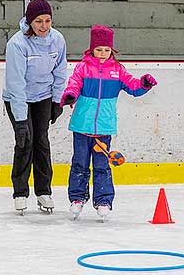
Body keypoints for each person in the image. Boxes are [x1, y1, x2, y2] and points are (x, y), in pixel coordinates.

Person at [60, 24, 158, 219]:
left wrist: (144, 83)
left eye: (107, 50)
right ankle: (77, 198)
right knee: (79, 163)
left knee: (102, 165)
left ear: (112, 50)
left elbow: (133, 87)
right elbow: (74, 84)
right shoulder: (83, 67)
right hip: (81, 126)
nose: (103, 54)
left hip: (104, 128)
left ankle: (103, 200)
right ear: (92, 49)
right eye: (99, 50)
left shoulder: (118, 70)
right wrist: (70, 95)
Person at [2, 0, 67, 214]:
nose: (44, 26)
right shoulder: (17, 44)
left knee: (41, 141)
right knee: (25, 142)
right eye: (38, 21)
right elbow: (16, 84)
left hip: (44, 97)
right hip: (17, 98)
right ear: (30, 22)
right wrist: (20, 120)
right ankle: (20, 192)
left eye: (48, 20)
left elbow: (59, 72)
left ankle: (43, 191)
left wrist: (57, 101)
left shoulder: (57, 40)